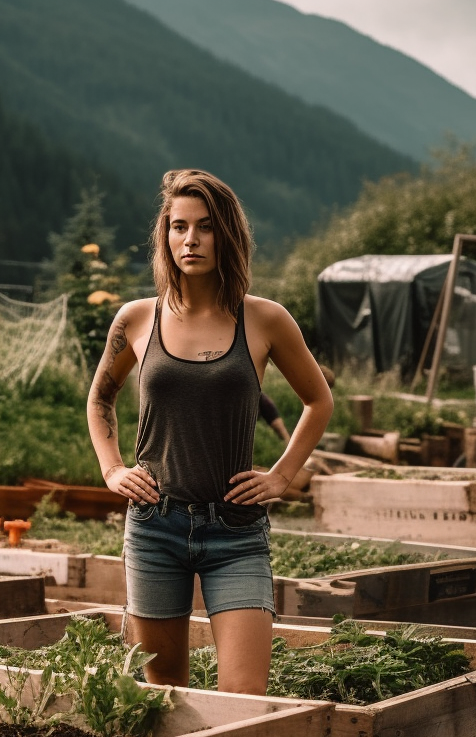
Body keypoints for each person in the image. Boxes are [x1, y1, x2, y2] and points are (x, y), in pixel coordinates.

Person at [86, 169, 333, 696]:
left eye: (204, 226)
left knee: (243, 700)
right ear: (165, 235)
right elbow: (100, 398)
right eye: (178, 227)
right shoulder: (136, 319)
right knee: (166, 693)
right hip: (155, 526)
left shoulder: (265, 319)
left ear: (227, 234)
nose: (190, 239)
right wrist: (111, 469)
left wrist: (283, 475)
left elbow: (318, 400)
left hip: (236, 532)